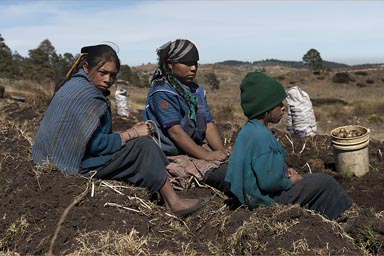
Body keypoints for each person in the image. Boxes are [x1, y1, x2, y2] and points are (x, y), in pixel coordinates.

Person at [32, 44, 205, 218]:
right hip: (73, 165)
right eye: (102, 73)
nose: (108, 79)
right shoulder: (90, 96)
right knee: (143, 146)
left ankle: (163, 180)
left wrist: (127, 134)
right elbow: (97, 145)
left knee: (135, 143)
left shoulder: (72, 85)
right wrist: (132, 134)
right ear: (86, 66)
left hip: (48, 158)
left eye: (112, 75)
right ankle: (173, 201)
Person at [224, 72, 352, 220]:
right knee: (324, 182)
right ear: (265, 108)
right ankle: (338, 220)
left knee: (312, 181)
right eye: (278, 104)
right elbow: (268, 183)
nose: (283, 108)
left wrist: (283, 171)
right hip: (265, 202)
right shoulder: (262, 136)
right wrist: (289, 181)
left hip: (251, 196)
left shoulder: (249, 130)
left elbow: (261, 169)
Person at [144, 39, 231, 192]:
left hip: (194, 147)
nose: (193, 68)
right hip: (171, 154)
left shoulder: (196, 91)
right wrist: (206, 155)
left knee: (235, 166)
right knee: (227, 177)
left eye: (195, 63)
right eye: (187, 63)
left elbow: (208, 124)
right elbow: (175, 132)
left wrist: (221, 152)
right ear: (170, 64)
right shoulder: (162, 92)